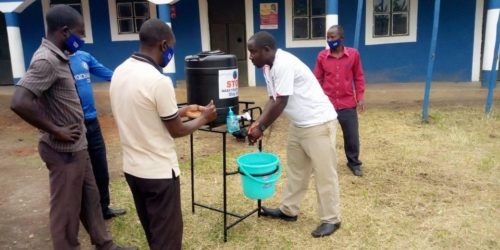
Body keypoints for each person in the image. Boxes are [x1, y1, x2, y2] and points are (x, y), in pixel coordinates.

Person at [9, 5, 136, 250]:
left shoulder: (62, 56)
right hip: (62, 149)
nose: (83, 39)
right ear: (65, 31)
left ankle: (104, 244)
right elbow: (19, 101)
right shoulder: (46, 59)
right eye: (81, 33)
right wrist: (56, 130)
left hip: (78, 146)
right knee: (66, 210)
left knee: (91, 198)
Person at [110, 18, 217, 249]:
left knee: (152, 231)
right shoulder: (159, 81)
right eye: (172, 46)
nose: (172, 51)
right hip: (158, 174)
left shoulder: (120, 71)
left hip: (133, 170)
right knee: (167, 239)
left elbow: (144, 111)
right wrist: (203, 119)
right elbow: (176, 130)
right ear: (164, 45)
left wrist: (181, 110)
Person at [246, 31, 341, 238]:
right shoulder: (267, 67)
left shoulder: (283, 64)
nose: (250, 56)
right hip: (299, 125)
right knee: (297, 171)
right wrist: (259, 123)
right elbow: (272, 99)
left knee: (325, 174)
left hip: (318, 123)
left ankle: (331, 219)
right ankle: (289, 211)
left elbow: (281, 102)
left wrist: (261, 128)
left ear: (267, 50)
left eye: (253, 52)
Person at [70, 50, 127, 219]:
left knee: (100, 167)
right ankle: (81, 212)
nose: (80, 37)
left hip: (92, 123)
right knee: (78, 171)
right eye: (78, 33)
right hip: (73, 125)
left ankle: (103, 207)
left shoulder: (83, 57)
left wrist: (130, 81)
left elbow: (110, 74)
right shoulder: (54, 61)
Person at [313, 25, 365, 177]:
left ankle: (354, 163)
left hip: (347, 103)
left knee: (352, 136)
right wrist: (317, 99)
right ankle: (323, 164)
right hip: (327, 105)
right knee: (324, 136)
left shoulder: (354, 55)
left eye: (332, 37)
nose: (329, 40)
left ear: (341, 38)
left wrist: (360, 97)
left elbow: (359, 77)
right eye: (328, 37)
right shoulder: (322, 56)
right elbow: (317, 79)